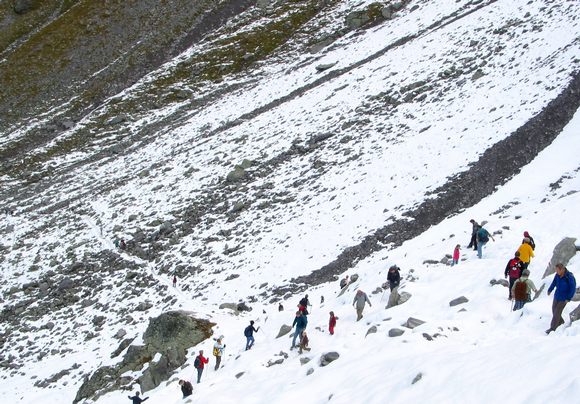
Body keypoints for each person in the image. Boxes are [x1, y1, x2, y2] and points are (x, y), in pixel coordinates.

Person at [546, 263, 576, 334]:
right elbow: (554, 283)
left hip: (564, 298)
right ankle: (561, 322)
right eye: (556, 270)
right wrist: (550, 289)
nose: (556, 272)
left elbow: (572, 288)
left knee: (557, 312)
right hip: (557, 296)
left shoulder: (569, 277)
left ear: (562, 269)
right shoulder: (557, 275)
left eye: (557, 270)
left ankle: (553, 328)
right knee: (554, 310)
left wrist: (568, 298)